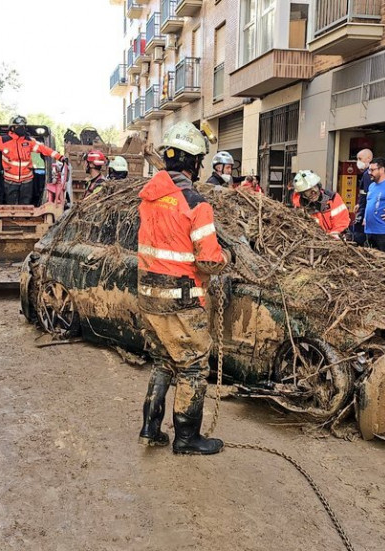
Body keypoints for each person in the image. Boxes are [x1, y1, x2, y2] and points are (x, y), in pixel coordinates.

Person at [137, 120, 229, 456]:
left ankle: (150, 428)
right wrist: (226, 256)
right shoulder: (196, 204)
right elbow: (209, 262)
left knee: (163, 361)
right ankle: (187, 438)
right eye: (200, 162)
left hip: (148, 297)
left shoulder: (148, 198)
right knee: (192, 367)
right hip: (182, 302)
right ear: (192, 163)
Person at [0, 115, 65, 206]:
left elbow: (45, 150)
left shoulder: (29, 141)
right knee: (11, 205)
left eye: (23, 126)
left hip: (27, 181)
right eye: (19, 126)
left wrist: (60, 157)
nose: (22, 128)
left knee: (25, 205)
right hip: (10, 181)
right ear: (12, 128)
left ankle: (25, 222)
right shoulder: (3, 141)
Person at [291, 170, 350, 238]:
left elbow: (341, 222)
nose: (313, 192)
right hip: (313, 242)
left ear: (319, 186)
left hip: (337, 240)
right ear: (302, 194)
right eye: (308, 191)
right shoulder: (300, 206)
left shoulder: (332, 198)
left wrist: (332, 237)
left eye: (315, 187)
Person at [351, 149, 373, 245]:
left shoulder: (368, 174)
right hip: (363, 208)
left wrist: (365, 216)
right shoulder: (365, 174)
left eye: (360, 159)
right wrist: (359, 204)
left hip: (365, 212)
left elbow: (369, 196)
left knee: (359, 236)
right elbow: (363, 193)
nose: (358, 161)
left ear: (369, 158)